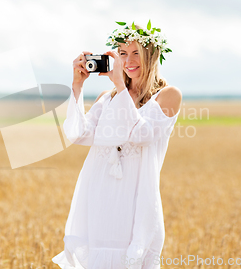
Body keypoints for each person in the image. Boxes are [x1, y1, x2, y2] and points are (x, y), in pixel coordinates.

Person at [52, 22, 182, 269]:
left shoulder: (168, 95)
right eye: (122, 53)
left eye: (136, 54)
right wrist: (77, 86)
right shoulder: (106, 98)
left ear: (152, 56)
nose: (128, 61)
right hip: (100, 195)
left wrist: (121, 86)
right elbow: (78, 134)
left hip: (135, 198)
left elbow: (140, 134)